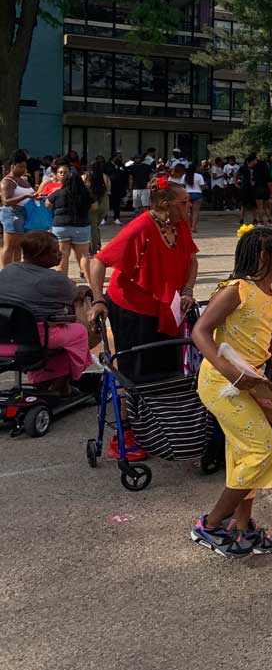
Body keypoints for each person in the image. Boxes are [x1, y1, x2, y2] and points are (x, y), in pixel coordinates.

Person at [190, 227, 272, 557]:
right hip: (221, 385)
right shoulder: (236, 290)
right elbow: (200, 331)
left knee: (242, 454)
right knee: (263, 451)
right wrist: (229, 372)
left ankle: (242, 527)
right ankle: (209, 524)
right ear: (265, 257)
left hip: (250, 383)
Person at [87, 183, 199, 459]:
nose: (189, 207)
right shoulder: (141, 227)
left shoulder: (179, 226)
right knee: (134, 372)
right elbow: (98, 261)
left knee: (165, 370)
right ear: (164, 204)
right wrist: (98, 299)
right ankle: (123, 434)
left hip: (167, 305)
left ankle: (156, 425)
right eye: (183, 202)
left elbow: (192, 259)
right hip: (132, 309)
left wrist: (187, 290)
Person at [0, 231, 94, 395]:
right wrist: (83, 289)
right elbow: (75, 296)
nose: (60, 253)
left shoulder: (8, 270)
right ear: (39, 255)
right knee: (79, 331)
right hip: (37, 335)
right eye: (55, 251)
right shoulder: (55, 279)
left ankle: (46, 378)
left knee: (60, 336)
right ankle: (67, 379)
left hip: (6, 332)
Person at [49, 163, 96, 279]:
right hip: (81, 226)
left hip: (61, 226)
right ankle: (90, 281)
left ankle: (63, 281)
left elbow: (48, 204)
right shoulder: (85, 194)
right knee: (84, 256)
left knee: (63, 255)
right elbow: (95, 207)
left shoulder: (58, 193)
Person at [1, 152, 34, 266]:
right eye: (20, 167)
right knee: (9, 246)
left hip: (25, 214)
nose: (23, 169)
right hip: (13, 213)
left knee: (19, 246)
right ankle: (5, 273)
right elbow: (6, 201)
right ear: (12, 166)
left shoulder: (23, 180)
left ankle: (16, 271)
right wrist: (26, 196)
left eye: (25, 167)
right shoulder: (8, 181)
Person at [184, 162, 205, 232]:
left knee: (188, 212)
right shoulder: (199, 176)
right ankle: (194, 227)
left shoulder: (185, 176)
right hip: (197, 194)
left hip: (187, 194)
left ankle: (189, 226)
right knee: (195, 211)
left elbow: (181, 185)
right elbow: (202, 186)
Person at [237, 155, 257, 225]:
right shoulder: (243, 167)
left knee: (253, 204)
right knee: (243, 204)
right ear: (250, 161)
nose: (256, 162)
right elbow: (236, 174)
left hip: (253, 188)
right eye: (254, 160)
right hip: (245, 187)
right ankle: (241, 219)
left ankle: (255, 219)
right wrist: (236, 183)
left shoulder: (256, 168)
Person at [109, 154, 127, 225]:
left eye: (120, 157)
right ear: (113, 157)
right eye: (118, 157)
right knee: (107, 203)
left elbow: (125, 175)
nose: (119, 158)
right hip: (109, 187)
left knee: (117, 204)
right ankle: (104, 218)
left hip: (119, 188)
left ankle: (116, 218)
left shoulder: (121, 165)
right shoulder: (107, 165)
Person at [252, 154, 271, 223]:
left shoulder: (255, 172)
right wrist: (271, 192)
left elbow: (253, 182)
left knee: (260, 207)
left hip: (258, 189)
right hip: (265, 189)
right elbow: (269, 183)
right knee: (266, 207)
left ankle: (261, 221)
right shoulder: (267, 173)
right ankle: (269, 220)